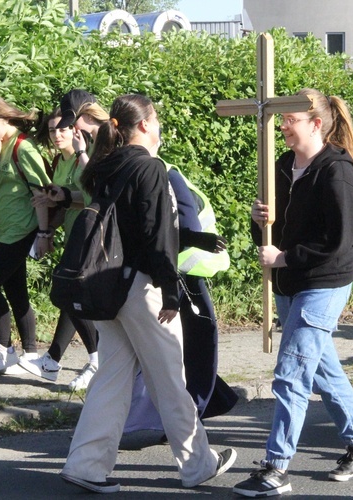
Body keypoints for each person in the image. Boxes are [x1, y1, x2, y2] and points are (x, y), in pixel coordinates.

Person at [59, 94, 236, 494]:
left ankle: (85, 465)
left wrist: (195, 237)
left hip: (107, 286)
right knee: (170, 377)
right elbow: (155, 237)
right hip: (143, 290)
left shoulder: (106, 166)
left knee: (112, 378)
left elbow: (134, 228)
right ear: (143, 125)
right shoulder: (151, 167)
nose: (158, 127)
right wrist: (172, 293)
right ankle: (198, 465)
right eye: (155, 119)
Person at [233, 89, 353, 498]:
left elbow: (341, 242)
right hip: (290, 283)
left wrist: (284, 258)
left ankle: (275, 468)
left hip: (324, 283)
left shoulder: (338, 171)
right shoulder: (282, 165)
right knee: (319, 367)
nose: (281, 126)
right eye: (281, 119)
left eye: (289, 119)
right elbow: (274, 237)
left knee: (291, 374)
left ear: (316, 123)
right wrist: (259, 222)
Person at [123, 162, 238, 435]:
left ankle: (188, 416)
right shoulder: (138, 168)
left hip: (183, 277)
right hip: (163, 276)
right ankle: (187, 414)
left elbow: (183, 230)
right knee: (177, 350)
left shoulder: (164, 173)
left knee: (189, 349)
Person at [18, 107, 100, 391]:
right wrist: (50, 224)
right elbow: (71, 203)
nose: (57, 135)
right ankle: (53, 361)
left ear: (75, 131)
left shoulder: (81, 159)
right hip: (75, 233)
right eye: (52, 130)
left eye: (62, 129)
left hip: (92, 235)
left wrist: (63, 197)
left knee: (69, 293)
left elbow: (93, 196)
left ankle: (95, 360)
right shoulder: (59, 162)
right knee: (70, 297)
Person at [0, 93, 51, 374]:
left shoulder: (24, 147)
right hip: (4, 229)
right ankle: (30, 355)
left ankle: (3, 350)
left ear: (6, 119)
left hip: (23, 229)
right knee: (15, 289)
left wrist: (44, 233)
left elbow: (42, 193)